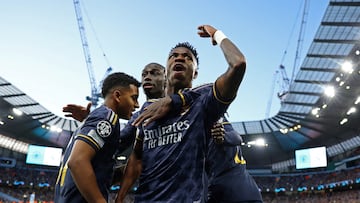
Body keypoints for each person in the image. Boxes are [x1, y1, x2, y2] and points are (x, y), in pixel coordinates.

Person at [117, 24, 247, 202]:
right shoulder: (148, 111)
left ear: (195, 74)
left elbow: (238, 64)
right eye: (174, 56)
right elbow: (137, 157)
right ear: (166, 69)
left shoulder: (203, 105)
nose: (180, 58)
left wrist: (217, 34)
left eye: (187, 58)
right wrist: (120, 197)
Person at [54, 72, 141, 203]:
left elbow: (99, 169)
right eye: (134, 98)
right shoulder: (107, 117)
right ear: (117, 96)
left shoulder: (95, 119)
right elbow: (77, 161)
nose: (137, 105)